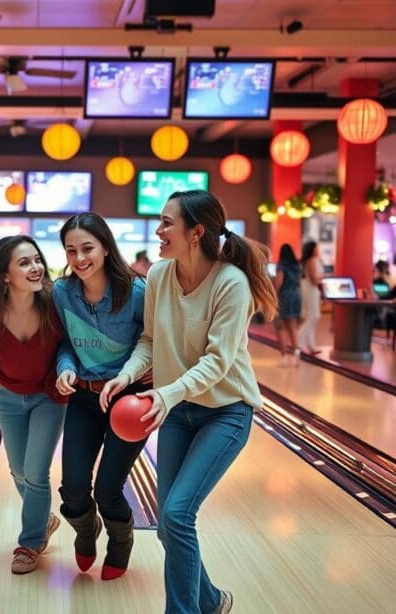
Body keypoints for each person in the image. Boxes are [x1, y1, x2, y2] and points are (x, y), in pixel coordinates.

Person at [99, 190, 277, 614]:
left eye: (166, 223)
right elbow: (148, 340)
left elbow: (218, 360)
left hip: (226, 412)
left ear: (195, 232)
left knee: (177, 516)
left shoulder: (231, 284)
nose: (158, 231)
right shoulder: (159, 275)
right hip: (178, 412)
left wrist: (165, 392)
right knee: (168, 525)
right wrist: (126, 375)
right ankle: (212, 601)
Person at [53, 212, 150, 581]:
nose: (79, 259)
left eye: (87, 248)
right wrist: (66, 366)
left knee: (109, 489)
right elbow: (64, 341)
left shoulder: (137, 292)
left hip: (128, 401)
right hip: (84, 399)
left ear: (106, 247)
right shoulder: (62, 292)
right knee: (73, 488)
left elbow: (152, 341)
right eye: (71, 250)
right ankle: (85, 529)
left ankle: (121, 542)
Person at [0, 235, 66, 574]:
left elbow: (71, 348)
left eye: (37, 260)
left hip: (49, 397)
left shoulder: (54, 304)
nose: (36, 267)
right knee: (18, 471)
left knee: (35, 474)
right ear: (4, 275)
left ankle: (30, 542)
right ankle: (43, 518)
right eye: (24, 263)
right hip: (7, 397)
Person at [274, 243, 302, 366]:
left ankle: (284, 355)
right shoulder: (296, 265)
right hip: (296, 295)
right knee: (292, 327)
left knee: (280, 326)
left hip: (284, 297)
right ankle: (296, 355)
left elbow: (279, 283)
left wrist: (273, 294)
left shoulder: (281, 266)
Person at [298, 240, 323, 354]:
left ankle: (310, 344)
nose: (319, 250)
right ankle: (300, 343)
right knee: (312, 317)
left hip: (310, 290)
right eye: (317, 248)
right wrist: (323, 281)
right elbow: (313, 279)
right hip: (311, 291)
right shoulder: (312, 261)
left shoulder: (310, 261)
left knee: (312, 317)